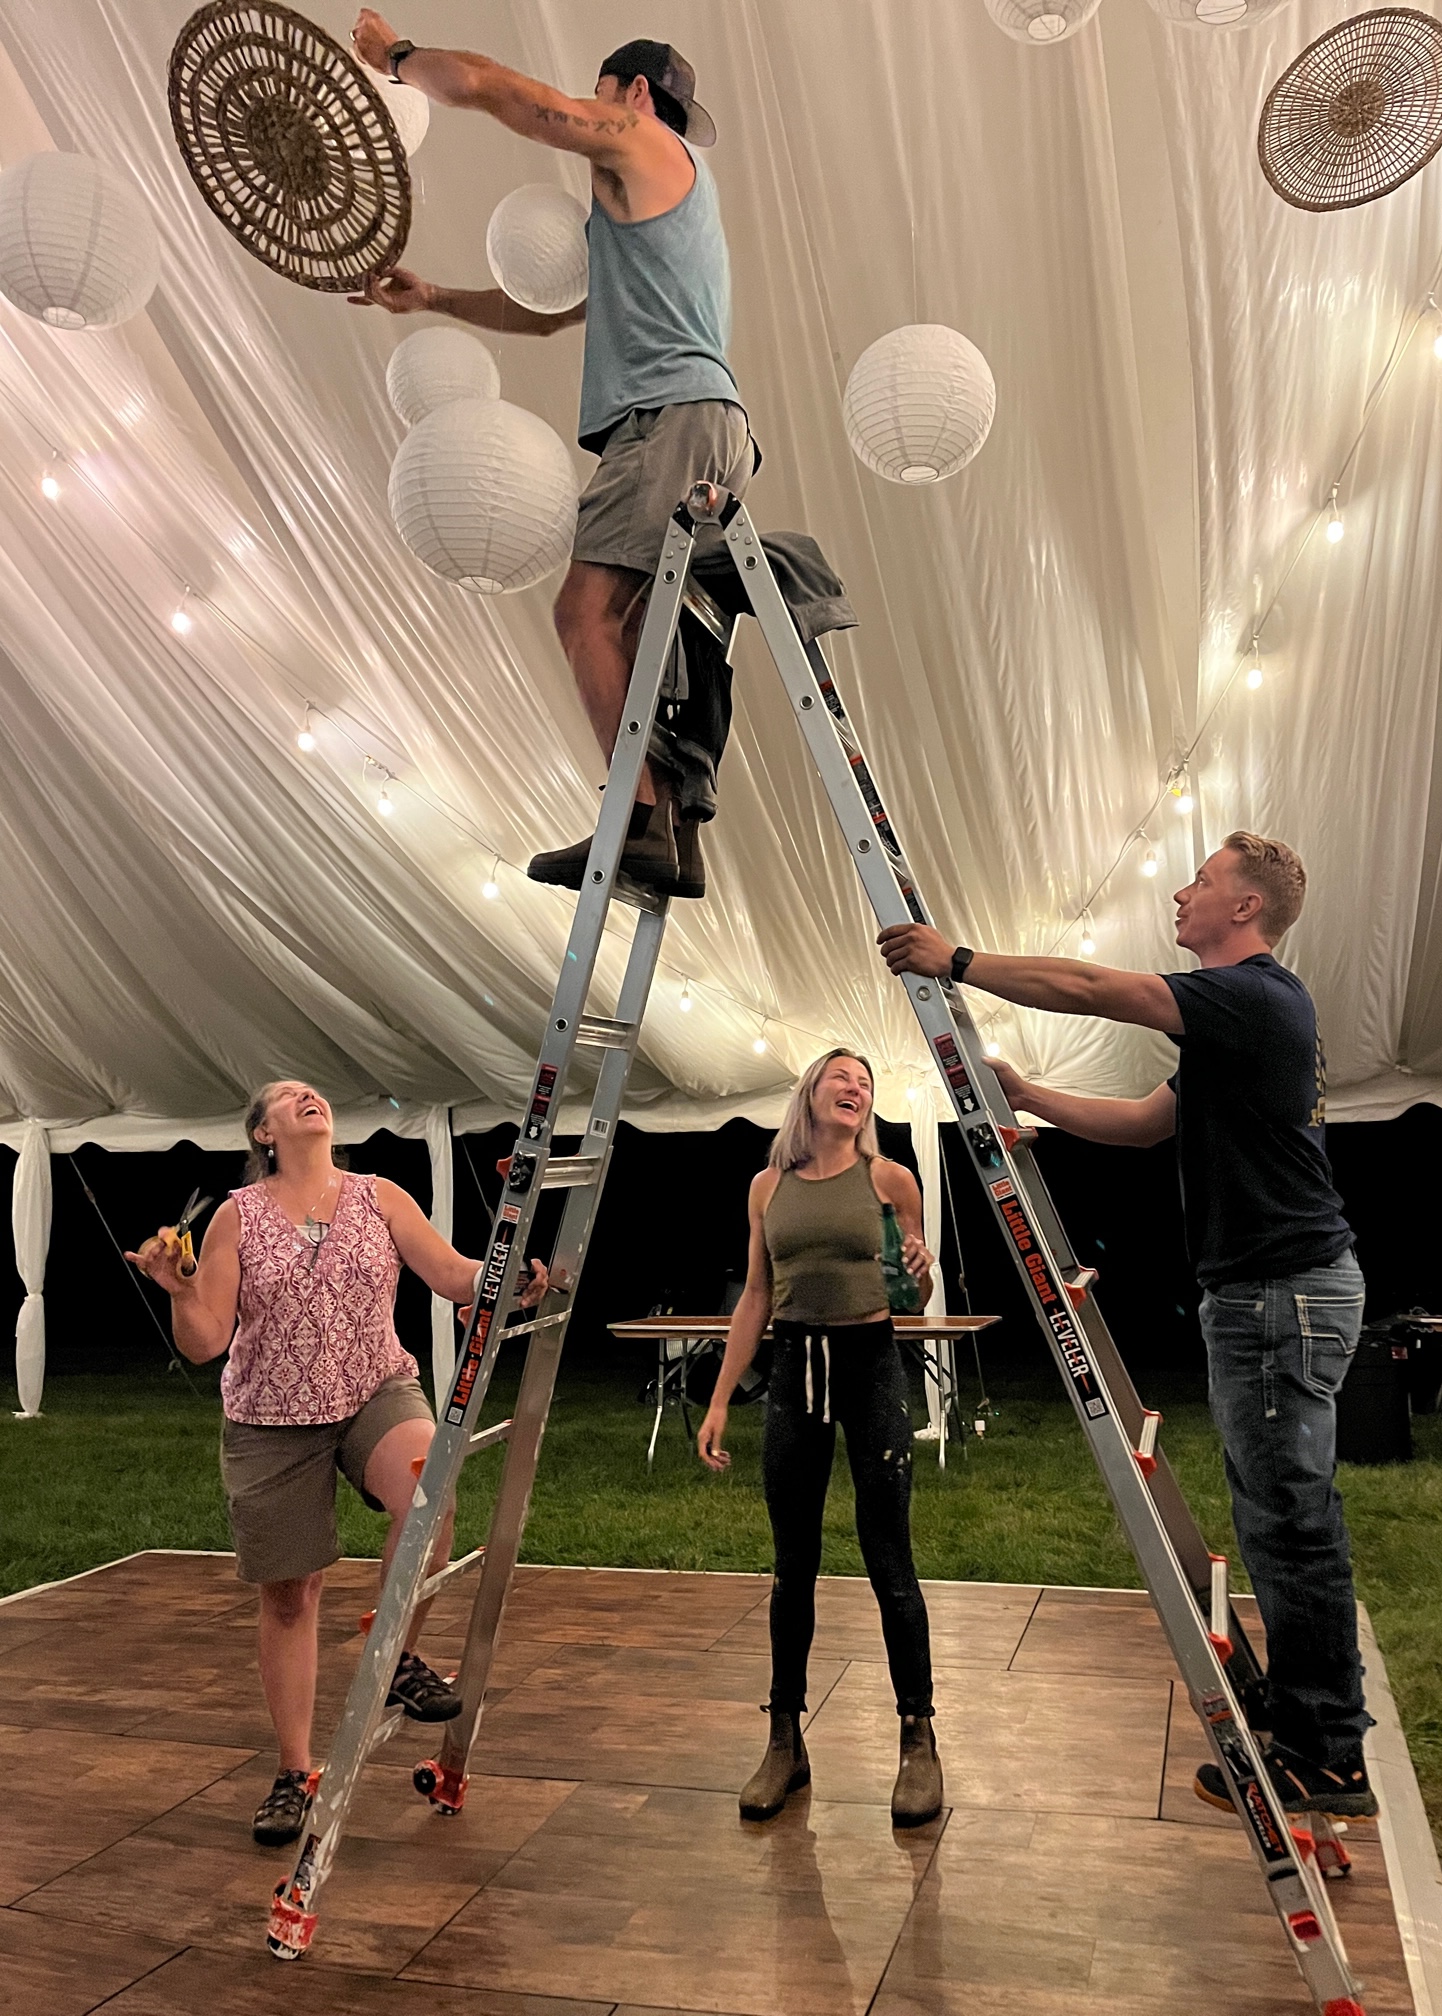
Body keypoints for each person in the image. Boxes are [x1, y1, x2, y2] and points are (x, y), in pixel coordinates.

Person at [877, 832, 1378, 1823]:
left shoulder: (1252, 996)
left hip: (1279, 1291)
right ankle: (1307, 1717)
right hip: (1277, 1288)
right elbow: (1148, 1122)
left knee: (1288, 1518)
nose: (1183, 894)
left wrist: (957, 959)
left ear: (1245, 908)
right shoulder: (1244, 1023)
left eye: (1203, 881)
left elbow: (1093, 987)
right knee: (1280, 1509)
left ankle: (1325, 1753)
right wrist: (1030, 1097)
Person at [350, 10, 757, 899]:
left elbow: (502, 91)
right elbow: (547, 316)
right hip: (712, 425)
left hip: (668, 420)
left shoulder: (637, 140)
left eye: (599, 92)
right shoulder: (659, 212)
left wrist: (397, 58)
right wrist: (433, 298)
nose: (590, 105)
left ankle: (634, 820)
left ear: (635, 93)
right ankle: (671, 837)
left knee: (585, 612)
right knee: (641, 636)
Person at [127, 1079, 547, 1849]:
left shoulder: (378, 1196)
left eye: (310, 1091)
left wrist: (508, 1279)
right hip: (270, 1418)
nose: (305, 1097)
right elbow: (206, 1340)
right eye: (286, 1097)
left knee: (429, 1496)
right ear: (263, 1132)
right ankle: (294, 1772)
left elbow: (454, 1274)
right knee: (292, 1596)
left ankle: (397, 1660)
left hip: (372, 1391)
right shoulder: (236, 1216)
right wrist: (181, 1290)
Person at [697, 1049, 945, 1829]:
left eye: (865, 1083)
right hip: (794, 1370)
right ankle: (784, 1740)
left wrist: (921, 1266)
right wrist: (719, 1399)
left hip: (871, 1367)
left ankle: (918, 1738)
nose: (856, 1088)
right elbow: (756, 1296)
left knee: (889, 1557)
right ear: (811, 1092)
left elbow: (912, 1289)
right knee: (792, 1563)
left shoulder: (890, 1180)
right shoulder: (766, 1187)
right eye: (843, 1077)